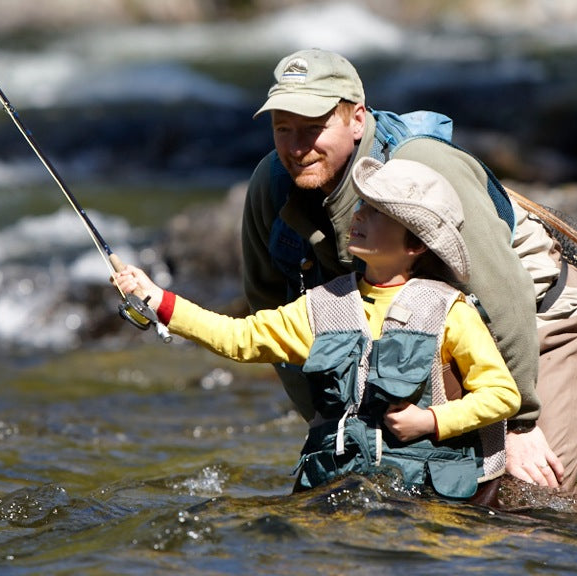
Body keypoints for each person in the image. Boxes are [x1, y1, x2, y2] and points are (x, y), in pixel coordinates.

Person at [240, 48, 577, 492]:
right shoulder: (272, 186)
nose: (297, 148)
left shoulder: (420, 167)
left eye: (314, 128)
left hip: (536, 318)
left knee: (527, 501)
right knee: (403, 496)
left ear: (357, 119)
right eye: (283, 129)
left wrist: (520, 425)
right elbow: (269, 307)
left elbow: (505, 293)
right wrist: (328, 418)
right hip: (431, 333)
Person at [115, 158, 520, 502]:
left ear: (414, 245)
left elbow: (502, 395)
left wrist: (430, 421)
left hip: (427, 506)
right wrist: (159, 301)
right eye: (361, 205)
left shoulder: (450, 311)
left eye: (377, 212)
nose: (358, 215)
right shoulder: (321, 307)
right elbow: (238, 339)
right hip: (337, 495)